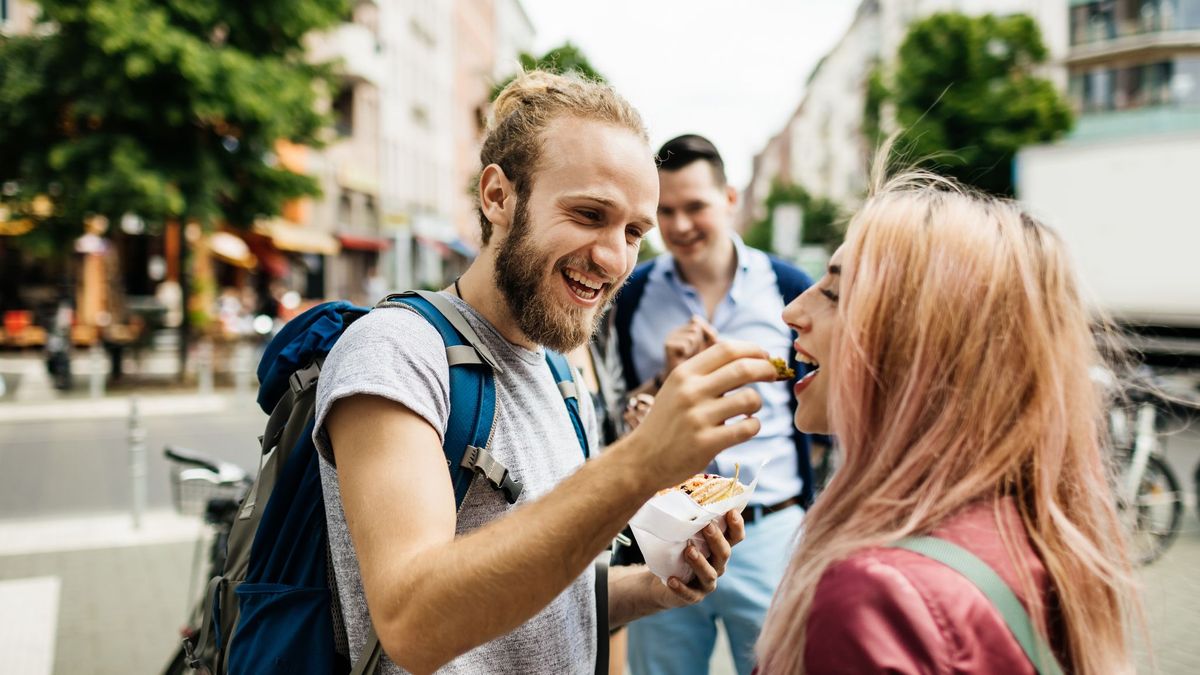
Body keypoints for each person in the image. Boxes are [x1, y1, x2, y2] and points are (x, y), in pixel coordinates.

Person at [315, 70, 779, 675]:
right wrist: (640, 463)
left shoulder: (560, 374)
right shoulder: (397, 351)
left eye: (635, 231)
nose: (614, 258)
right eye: (589, 214)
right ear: (498, 197)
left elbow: (561, 592)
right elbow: (412, 622)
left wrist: (659, 586)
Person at [756, 171, 1139, 674]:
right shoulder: (1042, 533)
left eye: (835, 293)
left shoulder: (876, 594)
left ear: (917, 342)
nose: (792, 313)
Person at [612, 134, 813, 675]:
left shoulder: (789, 287)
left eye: (694, 206)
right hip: (668, 531)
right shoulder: (630, 295)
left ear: (728, 199)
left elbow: (823, 402)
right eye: (665, 211)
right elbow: (619, 411)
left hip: (769, 529)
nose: (678, 226)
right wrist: (664, 378)